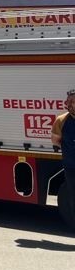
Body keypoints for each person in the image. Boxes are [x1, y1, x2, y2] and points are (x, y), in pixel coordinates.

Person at [52, 89, 75, 218]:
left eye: (73, 101)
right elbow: (55, 141)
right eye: (68, 101)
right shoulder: (61, 120)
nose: (69, 104)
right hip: (71, 167)